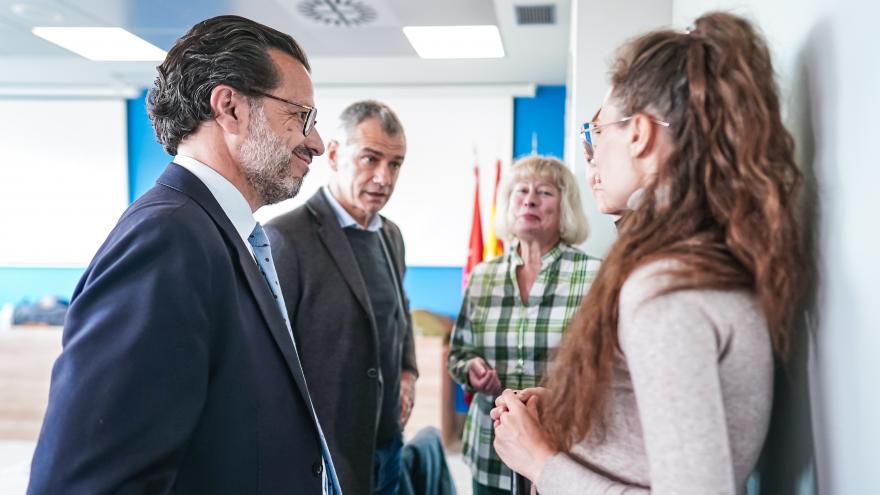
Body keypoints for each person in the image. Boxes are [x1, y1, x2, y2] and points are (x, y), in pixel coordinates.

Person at [491, 12, 805, 494]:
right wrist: (580, 410)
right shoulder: (690, 258)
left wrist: (541, 462)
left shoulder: (665, 286)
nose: (593, 157)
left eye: (599, 134)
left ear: (638, 133)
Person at [27, 15, 342, 494]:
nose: (316, 142)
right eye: (302, 116)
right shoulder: (166, 240)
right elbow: (89, 482)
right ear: (230, 108)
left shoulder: (222, 234)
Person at [264, 100, 417, 495]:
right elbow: (267, 358)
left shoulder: (391, 234)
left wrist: (407, 371)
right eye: (370, 159)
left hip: (386, 444)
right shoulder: (285, 237)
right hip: (326, 454)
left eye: (395, 164)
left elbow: (400, 312)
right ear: (333, 154)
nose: (383, 177)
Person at [447, 155, 600, 494]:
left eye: (544, 192)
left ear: (566, 208)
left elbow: (605, 370)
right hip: (489, 451)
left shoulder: (595, 276)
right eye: (520, 190)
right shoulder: (483, 276)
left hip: (561, 452)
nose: (529, 198)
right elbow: (458, 353)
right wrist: (470, 369)